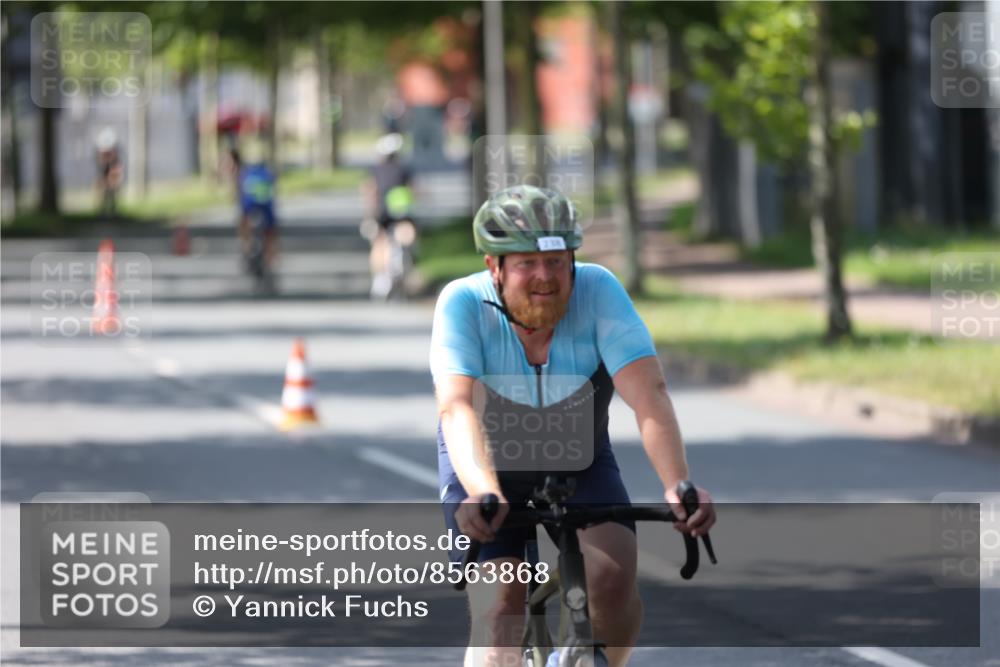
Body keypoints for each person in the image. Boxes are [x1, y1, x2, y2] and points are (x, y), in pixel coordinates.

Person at [430, 185, 716, 667]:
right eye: (525, 264)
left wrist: (678, 483)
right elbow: (458, 408)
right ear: (493, 267)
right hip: (486, 464)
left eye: (558, 262)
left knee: (614, 579)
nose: (545, 277)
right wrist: (483, 490)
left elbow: (649, 393)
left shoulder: (598, 289)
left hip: (577, 457)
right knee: (500, 604)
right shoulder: (462, 303)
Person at [362, 133, 415, 299]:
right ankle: (400, 273)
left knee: (379, 243)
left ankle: (381, 277)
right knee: (405, 239)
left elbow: (370, 191)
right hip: (402, 213)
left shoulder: (376, 170)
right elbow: (414, 190)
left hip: (382, 213)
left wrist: (369, 214)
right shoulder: (404, 169)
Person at [234, 140, 278, 280]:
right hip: (266, 207)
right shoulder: (265, 173)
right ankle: (271, 259)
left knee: (244, 224)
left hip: (250, 208)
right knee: (271, 232)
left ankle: (246, 250)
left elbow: (240, 195)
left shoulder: (244, 174)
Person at [95, 128, 124, 218]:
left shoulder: (114, 154)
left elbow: (116, 167)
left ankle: (112, 210)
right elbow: (101, 165)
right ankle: (102, 210)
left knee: (112, 189)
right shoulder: (100, 151)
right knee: (104, 189)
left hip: (112, 168)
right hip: (104, 169)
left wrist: (114, 178)